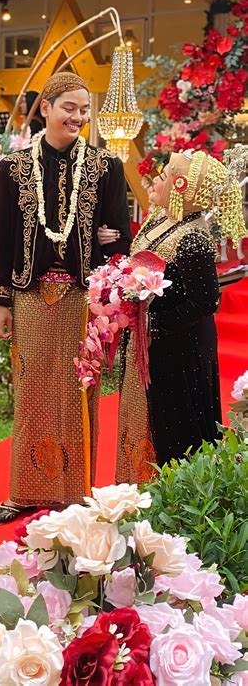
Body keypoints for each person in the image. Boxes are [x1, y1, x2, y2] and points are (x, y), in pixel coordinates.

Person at [0, 71, 131, 525]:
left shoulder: (105, 166)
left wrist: (110, 246)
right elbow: (4, 238)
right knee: (30, 392)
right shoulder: (13, 168)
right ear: (46, 107)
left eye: (85, 110)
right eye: (69, 107)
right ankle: (24, 492)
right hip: (30, 296)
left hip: (83, 298)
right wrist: (0, 301)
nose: (78, 117)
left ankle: (76, 493)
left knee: (78, 392)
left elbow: (120, 237)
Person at [116, 149, 246, 484]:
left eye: (163, 175)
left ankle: (171, 499)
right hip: (149, 343)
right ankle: (137, 490)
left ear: (180, 187)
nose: (155, 179)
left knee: (175, 432)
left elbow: (205, 301)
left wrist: (155, 324)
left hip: (178, 351)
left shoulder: (192, 239)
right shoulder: (161, 219)